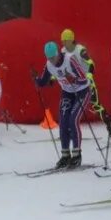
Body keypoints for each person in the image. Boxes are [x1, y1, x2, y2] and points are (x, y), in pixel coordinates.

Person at [35, 41, 91, 169]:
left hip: (82, 91)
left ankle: (77, 155)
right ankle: (66, 155)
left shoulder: (70, 59)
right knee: (63, 122)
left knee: (73, 119)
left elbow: (84, 78)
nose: (52, 61)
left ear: (58, 54)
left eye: (53, 57)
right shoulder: (49, 64)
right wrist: (36, 80)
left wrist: (73, 79)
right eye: (49, 58)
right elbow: (43, 81)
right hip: (68, 93)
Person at [60, 28, 111, 143]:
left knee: (96, 106)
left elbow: (91, 63)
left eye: (65, 41)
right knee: (69, 107)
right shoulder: (63, 51)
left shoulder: (80, 50)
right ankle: (70, 131)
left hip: (86, 83)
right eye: (62, 41)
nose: (63, 43)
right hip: (73, 85)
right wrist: (54, 77)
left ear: (71, 40)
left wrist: (89, 75)